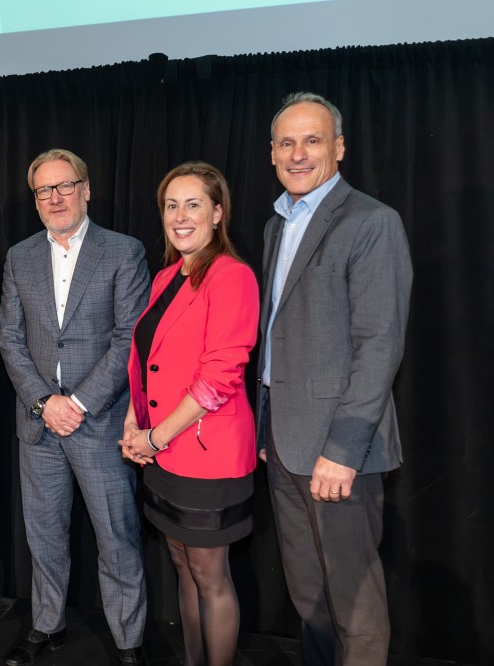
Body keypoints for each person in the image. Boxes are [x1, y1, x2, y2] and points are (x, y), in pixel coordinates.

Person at [257, 92, 412, 665]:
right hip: (284, 443)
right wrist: (267, 429)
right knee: (308, 593)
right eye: (287, 143)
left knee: (355, 605)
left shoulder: (371, 221)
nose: (298, 154)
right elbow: (280, 336)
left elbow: (379, 345)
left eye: (312, 140)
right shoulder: (278, 225)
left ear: (339, 148)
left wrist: (343, 452)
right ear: (272, 153)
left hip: (338, 452)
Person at [0, 148, 150, 665]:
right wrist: (44, 403)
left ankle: (129, 641)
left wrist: (78, 403)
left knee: (117, 537)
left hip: (100, 422)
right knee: (43, 536)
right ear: (35, 199)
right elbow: (9, 339)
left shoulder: (123, 251)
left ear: (86, 190)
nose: (55, 197)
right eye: (44, 190)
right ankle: (47, 625)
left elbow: (129, 338)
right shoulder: (19, 257)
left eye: (65, 186)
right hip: (39, 423)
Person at [120, 162, 259, 666]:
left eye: (193, 205)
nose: (180, 216)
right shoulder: (165, 277)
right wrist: (133, 422)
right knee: (181, 565)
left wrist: (155, 437)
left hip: (207, 454)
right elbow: (146, 360)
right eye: (171, 205)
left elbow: (219, 377)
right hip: (165, 453)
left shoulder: (233, 276)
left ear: (217, 213)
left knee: (209, 575)